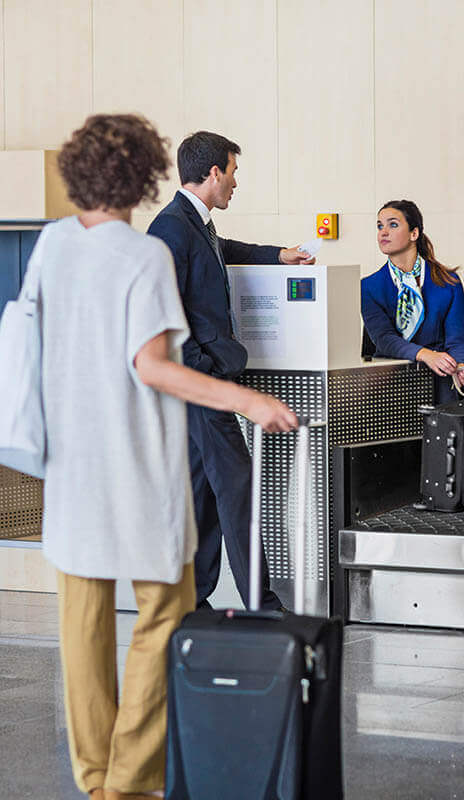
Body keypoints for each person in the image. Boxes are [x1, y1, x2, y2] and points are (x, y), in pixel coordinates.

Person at [39, 114, 297, 800]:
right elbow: (154, 364)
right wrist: (244, 401)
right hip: (132, 457)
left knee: (83, 627)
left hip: (69, 465)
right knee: (167, 606)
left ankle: (98, 780)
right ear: (147, 172)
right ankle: (128, 779)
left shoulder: (52, 246)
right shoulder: (144, 252)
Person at [147, 131, 312, 611]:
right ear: (214, 172)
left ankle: (193, 602)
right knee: (238, 489)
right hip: (201, 385)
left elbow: (224, 249)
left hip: (204, 384)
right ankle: (263, 606)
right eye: (234, 172)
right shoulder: (170, 229)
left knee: (203, 493)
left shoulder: (193, 223)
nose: (236, 182)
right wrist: (206, 368)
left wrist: (278, 255)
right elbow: (166, 316)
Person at [360, 199, 464, 404]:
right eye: (379, 226)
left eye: (393, 224)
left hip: (439, 383)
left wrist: (461, 365)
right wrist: (426, 355)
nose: (383, 232)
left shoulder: (449, 282)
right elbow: (384, 340)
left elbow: (456, 340)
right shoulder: (369, 287)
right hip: (390, 384)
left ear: (414, 233)